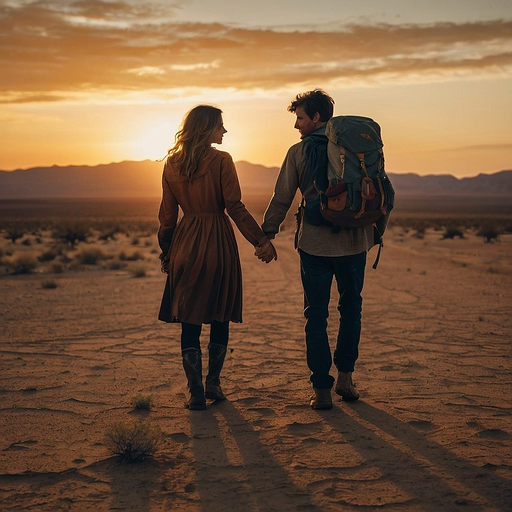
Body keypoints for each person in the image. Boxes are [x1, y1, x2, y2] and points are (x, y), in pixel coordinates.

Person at [260, 89, 376, 410]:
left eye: (300, 117)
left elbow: (282, 197)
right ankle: (346, 379)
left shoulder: (298, 152)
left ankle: (322, 390)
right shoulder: (355, 149)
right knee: (351, 309)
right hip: (354, 243)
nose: (296, 125)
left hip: (314, 247)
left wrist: (266, 233)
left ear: (316, 117)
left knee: (316, 316)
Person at [158, 105, 276, 410]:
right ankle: (213, 383)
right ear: (206, 128)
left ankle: (195, 391)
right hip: (218, 243)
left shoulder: (171, 163)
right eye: (220, 126)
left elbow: (168, 217)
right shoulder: (222, 160)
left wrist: (168, 251)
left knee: (190, 319)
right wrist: (260, 240)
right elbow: (234, 206)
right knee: (220, 313)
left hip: (185, 242)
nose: (224, 131)